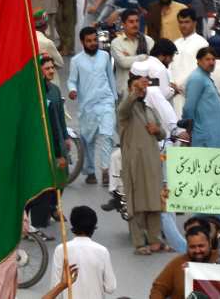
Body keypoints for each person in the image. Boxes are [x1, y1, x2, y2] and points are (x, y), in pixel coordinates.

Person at [116, 71, 167, 254]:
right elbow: (123, 108)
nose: (141, 90)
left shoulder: (149, 109)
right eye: (136, 87)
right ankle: (139, 243)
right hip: (134, 163)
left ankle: (155, 240)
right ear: (130, 89)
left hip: (152, 162)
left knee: (154, 201)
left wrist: (157, 130)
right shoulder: (126, 110)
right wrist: (134, 92)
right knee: (136, 203)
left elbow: (163, 133)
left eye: (143, 88)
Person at [70, 26, 117, 186]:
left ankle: (105, 170)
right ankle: (90, 171)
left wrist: (114, 98)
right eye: (89, 41)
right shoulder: (76, 61)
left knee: (107, 136)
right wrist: (72, 90)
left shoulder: (105, 56)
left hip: (106, 102)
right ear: (82, 42)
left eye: (95, 40)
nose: (93, 43)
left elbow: (110, 78)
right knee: (87, 139)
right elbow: (71, 81)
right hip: (87, 106)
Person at [55, 204, 118, 299]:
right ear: (93, 227)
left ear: (73, 225)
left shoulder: (61, 249)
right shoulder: (102, 251)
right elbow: (110, 287)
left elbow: (55, 286)